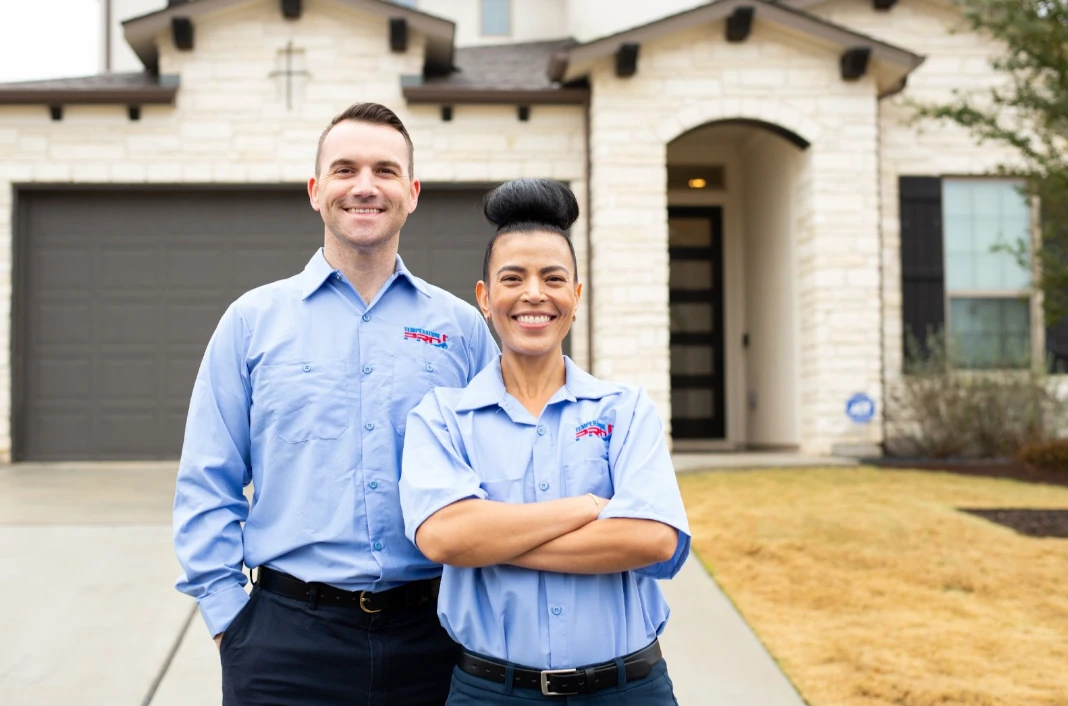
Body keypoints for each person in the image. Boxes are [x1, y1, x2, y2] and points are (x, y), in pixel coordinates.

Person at [173, 102, 498, 705]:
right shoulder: (251, 323)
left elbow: (498, 478)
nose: (365, 187)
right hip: (284, 642)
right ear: (316, 190)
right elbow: (206, 481)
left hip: (437, 637)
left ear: (413, 191)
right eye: (345, 169)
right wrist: (230, 622)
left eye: (386, 170)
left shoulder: (461, 329)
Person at [399, 178, 691, 704]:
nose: (534, 293)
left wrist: (491, 542)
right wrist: (588, 508)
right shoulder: (443, 417)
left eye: (553, 278)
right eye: (513, 278)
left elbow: (652, 541)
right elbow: (445, 540)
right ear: (485, 298)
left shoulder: (624, 410)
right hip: (492, 692)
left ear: (575, 298)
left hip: (628, 690)